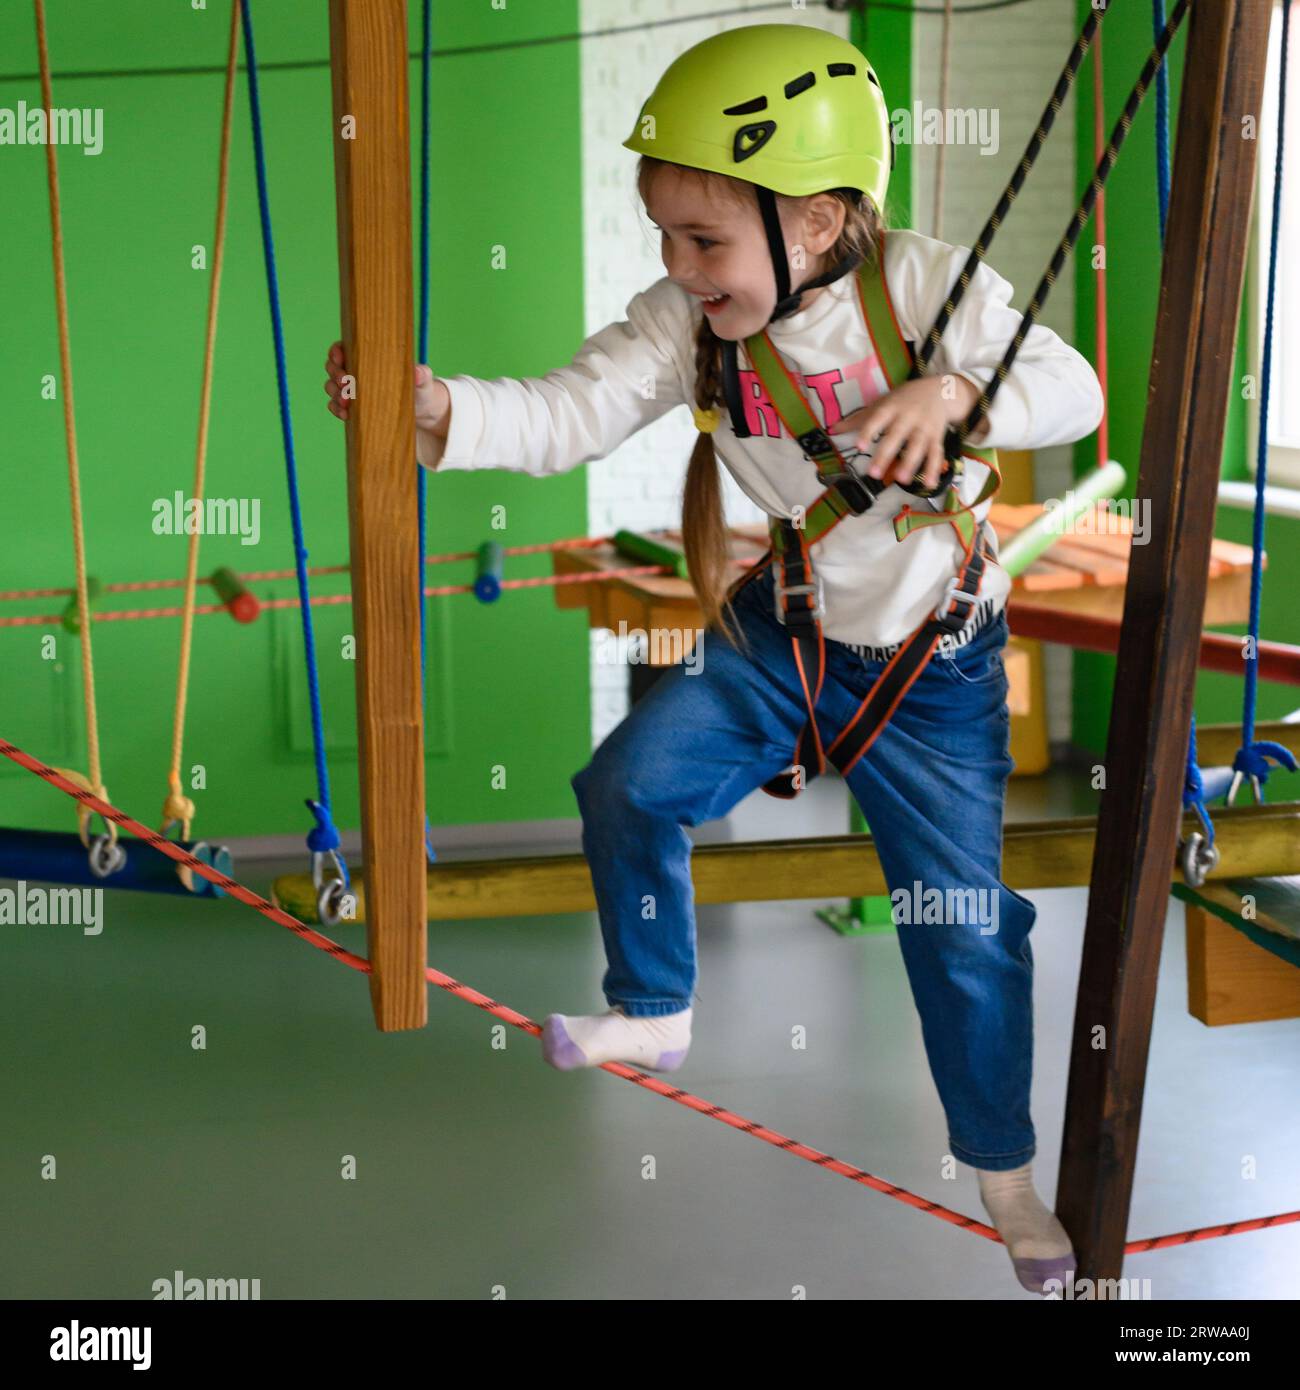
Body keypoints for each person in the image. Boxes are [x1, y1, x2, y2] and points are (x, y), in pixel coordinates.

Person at [324, 23, 1103, 1295]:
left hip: (932, 667)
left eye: (704, 241)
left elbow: (1068, 388)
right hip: (779, 633)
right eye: (666, 240)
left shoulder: (914, 286)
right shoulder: (684, 325)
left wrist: (955, 396)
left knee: (960, 928)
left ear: (810, 223)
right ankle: (658, 1001)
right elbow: (569, 407)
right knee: (626, 783)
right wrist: (443, 412)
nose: (680, 268)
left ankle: (1004, 1170)